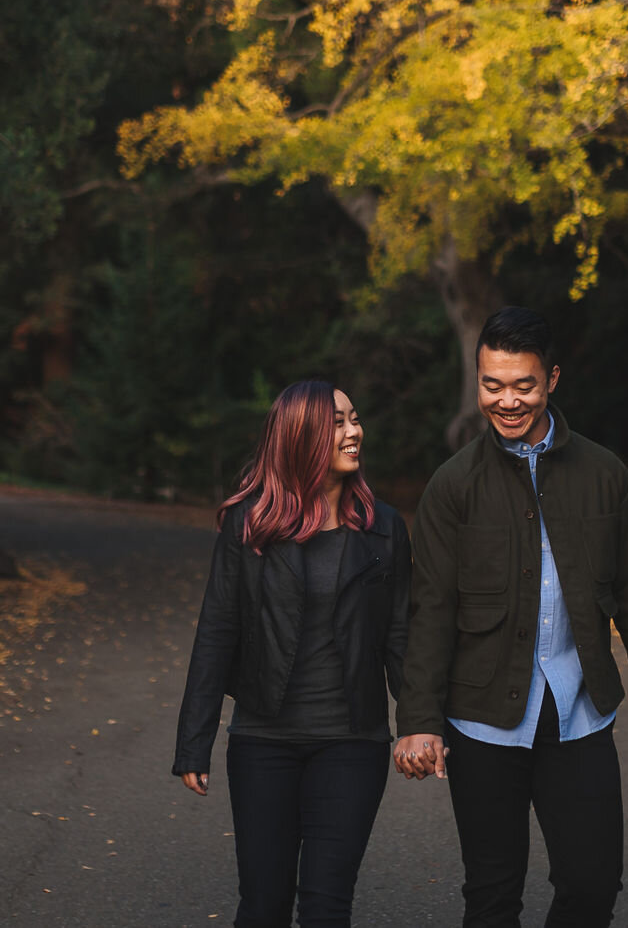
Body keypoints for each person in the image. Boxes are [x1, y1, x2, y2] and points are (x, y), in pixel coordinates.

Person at [391, 306, 628, 928]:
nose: (506, 401)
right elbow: (431, 611)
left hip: (577, 716)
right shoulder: (453, 486)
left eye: (522, 385)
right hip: (481, 723)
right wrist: (418, 719)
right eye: (491, 385)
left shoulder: (606, 476)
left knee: (592, 885)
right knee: (493, 895)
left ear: (552, 379)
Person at [173, 380, 411, 928]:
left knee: (327, 906)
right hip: (263, 741)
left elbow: (401, 634)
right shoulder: (250, 523)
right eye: (339, 423)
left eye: (355, 419)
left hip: (353, 741)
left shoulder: (384, 527)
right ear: (301, 437)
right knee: (264, 905)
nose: (355, 432)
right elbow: (217, 629)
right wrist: (194, 741)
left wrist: (424, 724)